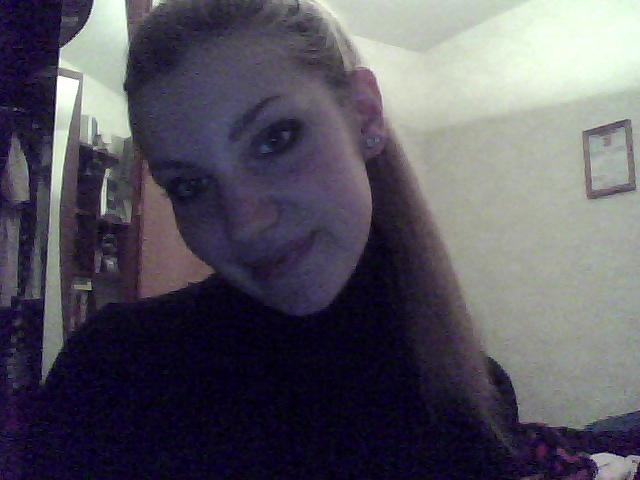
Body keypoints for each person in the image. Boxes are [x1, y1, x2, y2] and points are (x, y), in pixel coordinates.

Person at [22, 0, 537, 478]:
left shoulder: (473, 399)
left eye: (275, 139)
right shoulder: (114, 377)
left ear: (364, 114)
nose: (245, 225)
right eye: (190, 186)